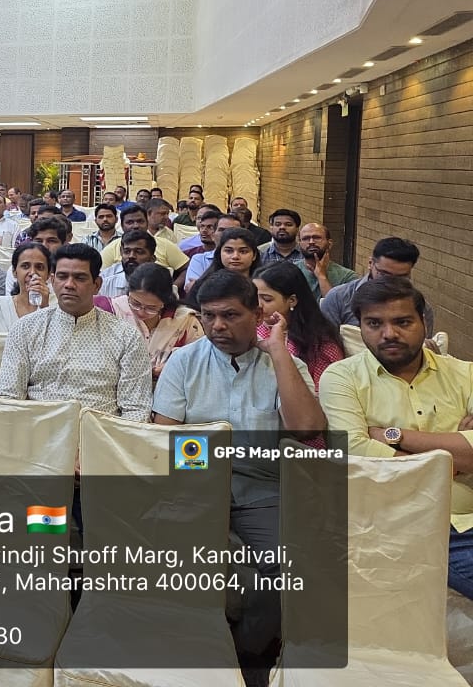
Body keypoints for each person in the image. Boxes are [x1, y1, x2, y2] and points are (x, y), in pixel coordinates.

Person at [153, 270, 324, 674]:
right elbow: (166, 437)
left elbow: (307, 428)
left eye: (230, 315)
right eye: (209, 316)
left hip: (263, 484)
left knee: (288, 566)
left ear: (257, 313)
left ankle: (246, 651)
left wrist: (278, 351)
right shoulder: (184, 361)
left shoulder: (284, 363)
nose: (217, 326)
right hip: (195, 479)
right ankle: (192, 647)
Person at [317, 277, 473, 598]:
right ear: (360, 326)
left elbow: (369, 447)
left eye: (402, 322)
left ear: (424, 323)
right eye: (374, 323)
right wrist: (455, 454)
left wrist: (394, 436)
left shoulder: (465, 373)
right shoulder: (342, 378)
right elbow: (354, 450)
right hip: (400, 521)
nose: (389, 334)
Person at [0, 244, 152, 418]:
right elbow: (8, 397)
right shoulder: (25, 329)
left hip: (100, 431)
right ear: (52, 280)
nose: (69, 285)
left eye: (80, 278)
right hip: (38, 429)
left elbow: (136, 409)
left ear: (97, 285)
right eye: (62, 276)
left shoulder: (126, 337)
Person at [320, 236, 436, 336]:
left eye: (401, 277)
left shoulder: (421, 307)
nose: (391, 282)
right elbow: (325, 346)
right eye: (384, 274)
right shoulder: (339, 298)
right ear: (371, 264)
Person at [252, 262, 345, 388]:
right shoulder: (252, 330)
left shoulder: (320, 344)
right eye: (255, 298)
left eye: (267, 299)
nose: (258, 305)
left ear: (292, 300)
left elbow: (326, 391)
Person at [110, 262, 203, 380]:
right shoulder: (113, 310)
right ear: (129, 293)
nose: (141, 312)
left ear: (165, 301)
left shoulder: (185, 321)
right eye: (135, 303)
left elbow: (200, 361)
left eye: (151, 308)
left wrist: (174, 367)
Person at [0, 242, 52, 331]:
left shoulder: (57, 307)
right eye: (25, 266)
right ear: (14, 272)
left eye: (39, 267)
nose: (32, 273)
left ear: (48, 274)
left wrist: (44, 308)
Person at [99, 206, 189, 280]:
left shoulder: (165, 244)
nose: (136, 226)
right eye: (130, 222)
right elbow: (101, 275)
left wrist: (173, 287)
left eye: (140, 221)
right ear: (122, 226)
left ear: (147, 223)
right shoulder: (111, 248)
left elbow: (187, 268)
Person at [185, 228, 262, 306]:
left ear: (254, 255)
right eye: (229, 251)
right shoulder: (202, 285)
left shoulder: (263, 285)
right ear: (219, 253)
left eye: (243, 251)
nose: (235, 256)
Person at [293, 223, 356, 300]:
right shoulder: (290, 272)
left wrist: (321, 276)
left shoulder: (347, 277)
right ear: (299, 244)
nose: (311, 242)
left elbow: (334, 306)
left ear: (329, 244)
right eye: (306, 238)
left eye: (317, 238)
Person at [183, 213, 245, 288]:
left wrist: (202, 286)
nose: (226, 234)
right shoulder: (199, 259)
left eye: (232, 230)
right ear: (213, 235)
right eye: (221, 230)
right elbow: (191, 289)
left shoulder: (248, 258)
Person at [98, 229, 157, 299]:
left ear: (152, 259)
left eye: (139, 252)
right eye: (127, 251)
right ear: (121, 252)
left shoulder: (162, 285)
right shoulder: (104, 285)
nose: (131, 256)